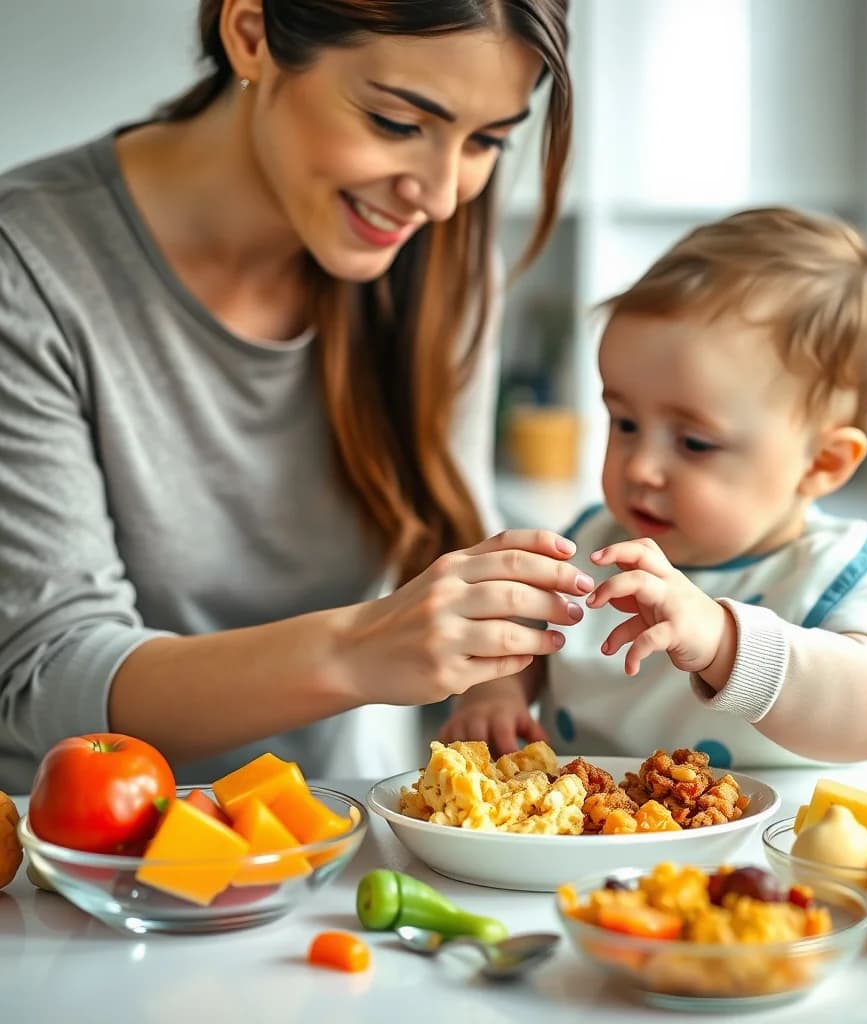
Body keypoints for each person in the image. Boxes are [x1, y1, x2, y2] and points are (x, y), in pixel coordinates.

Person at [0, 0, 594, 793]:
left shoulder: (443, 259)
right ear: (250, 35)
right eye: (395, 121)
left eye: (486, 140)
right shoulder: (28, 266)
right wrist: (356, 650)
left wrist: (496, 672)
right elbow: (48, 679)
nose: (443, 194)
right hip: (67, 871)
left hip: (325, 846)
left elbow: (441, 526)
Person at [441, 206, 867, 769]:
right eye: (624, 423)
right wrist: (497, 692)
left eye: (693, 443)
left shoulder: (844, 570)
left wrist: (725, 642)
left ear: (823, 462)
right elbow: (530, 638)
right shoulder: (593, 544)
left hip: (785, 852)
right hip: (603, 847)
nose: (641, 466)